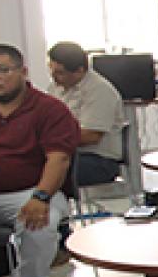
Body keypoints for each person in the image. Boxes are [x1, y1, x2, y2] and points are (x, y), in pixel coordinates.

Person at [0, 44, 80, 277]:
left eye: (2, 70)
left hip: (32, 190)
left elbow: (58, 159)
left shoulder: (50, 109)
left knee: (40, 223)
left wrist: (41, 196)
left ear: (23, 72)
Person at [46, 42, 125, 187]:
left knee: (45, 170)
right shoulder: (55, 88)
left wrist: (49, 140)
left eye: (60, 73)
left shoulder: (100, 90)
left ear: (79, 71)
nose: (53, 77)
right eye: (51, 70)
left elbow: (91, 136)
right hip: (65, 152)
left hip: (97, 160)